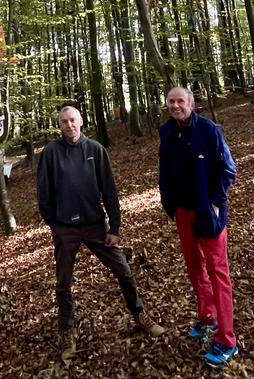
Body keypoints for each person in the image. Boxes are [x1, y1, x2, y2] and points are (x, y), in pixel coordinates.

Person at [37, 105, 165, 360]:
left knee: (124, 270)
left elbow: (110, 190)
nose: (69, 125)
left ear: (81, 121)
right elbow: (44, 193)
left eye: (73, 120)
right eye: (64, 122)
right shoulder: (51, 153)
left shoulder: (95, 150)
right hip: (65, 230)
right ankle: (67, 331)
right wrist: (55, 225)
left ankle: (139, 314)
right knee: (63, 283)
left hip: (95, 225)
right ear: (59, 125)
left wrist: (115, 227)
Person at [158, 86, 240, 367]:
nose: (176, 105)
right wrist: (167, 202)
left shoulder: (209, 130)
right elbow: (164, 169)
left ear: (191, 103)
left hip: (209, 212)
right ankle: (207, 318)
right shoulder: (167, 132)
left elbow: (228, 169)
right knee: (194, 267)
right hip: (182, 212)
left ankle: (227, 340)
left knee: (218, 272)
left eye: (181, 101)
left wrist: (215, 203)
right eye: (171, 101)